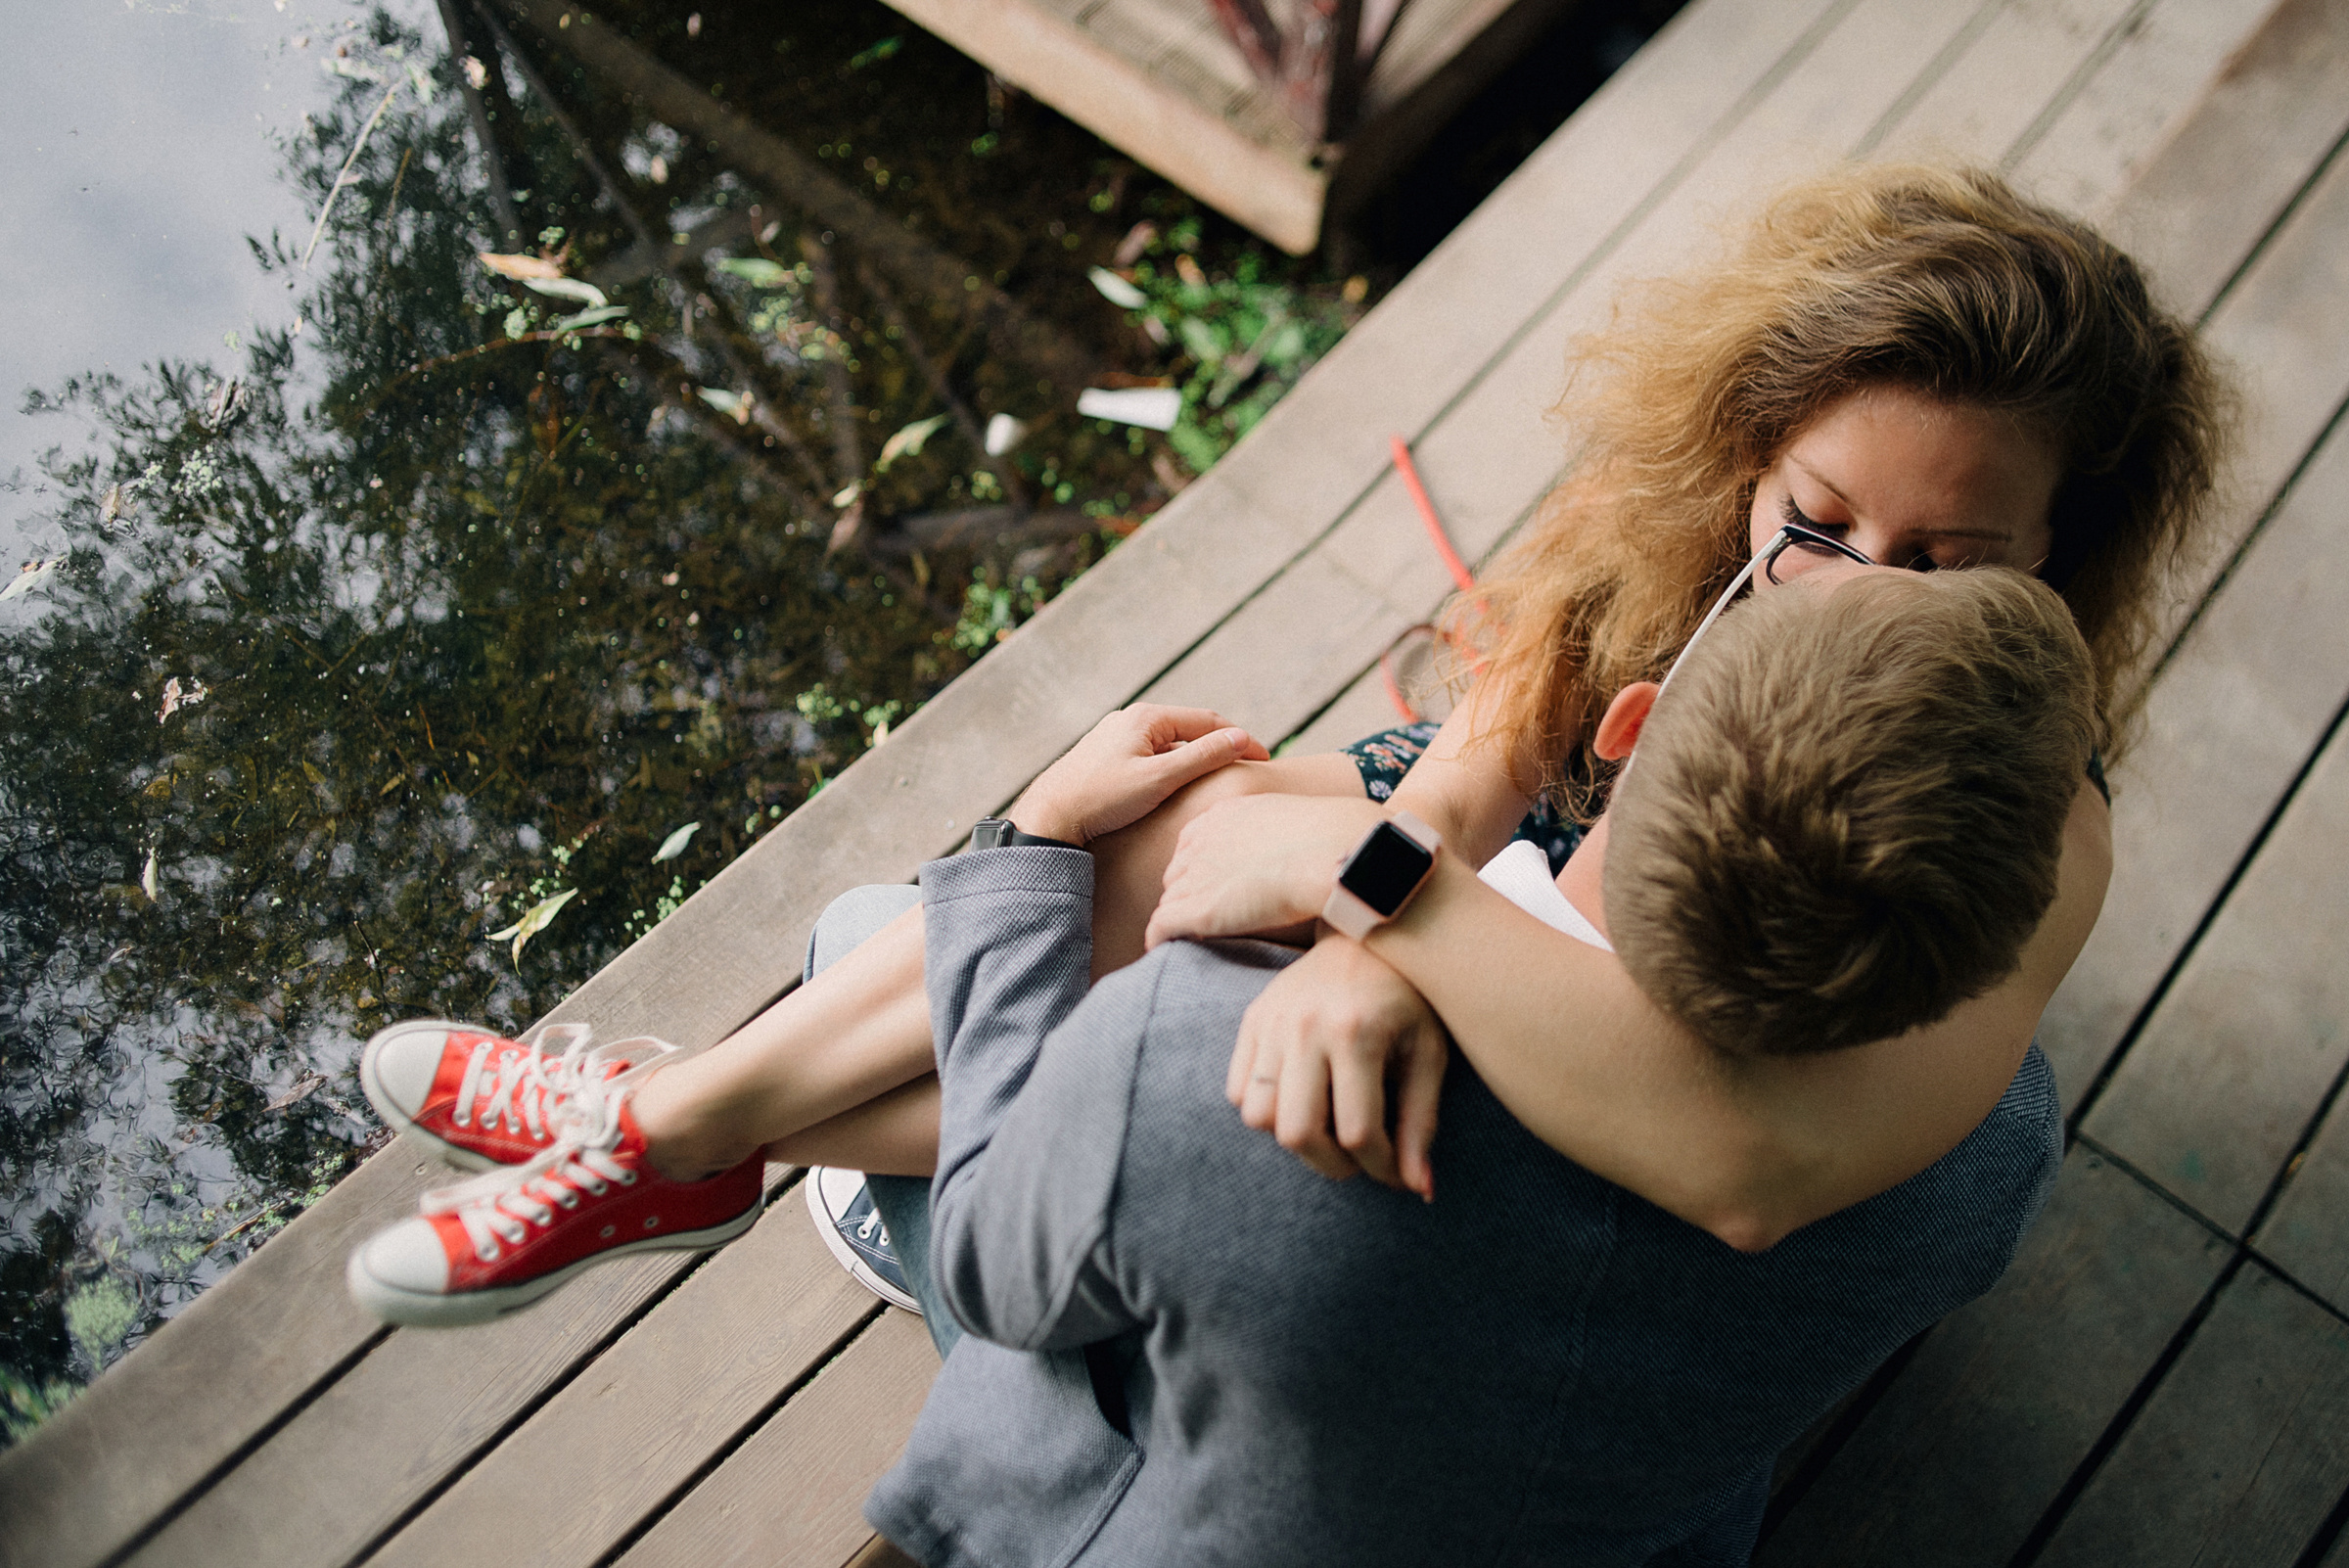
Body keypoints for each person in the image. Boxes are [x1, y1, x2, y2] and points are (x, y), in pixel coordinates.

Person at [339, 161, 2225, 1323]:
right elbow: (1491, 750)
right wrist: (1412, 879)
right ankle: (678, 1129)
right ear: (1755, 446)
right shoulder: (1670, 526)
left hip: (1697, 1024)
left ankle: (667, 1130)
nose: (1844, 586)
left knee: (1240, 1023)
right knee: (1205, 812)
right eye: (1815, 521)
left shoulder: (2039, 809)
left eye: (1946, 557)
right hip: (1551, 875)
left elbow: (1751, 1164)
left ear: (2058, 550)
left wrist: (1404, 941)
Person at [858, 562, 2092, 1567]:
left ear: (1627, 727)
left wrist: (1027, 842)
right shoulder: (1982, 1173)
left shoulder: (1198, 1046)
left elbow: (985, 1261)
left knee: (866, 942)